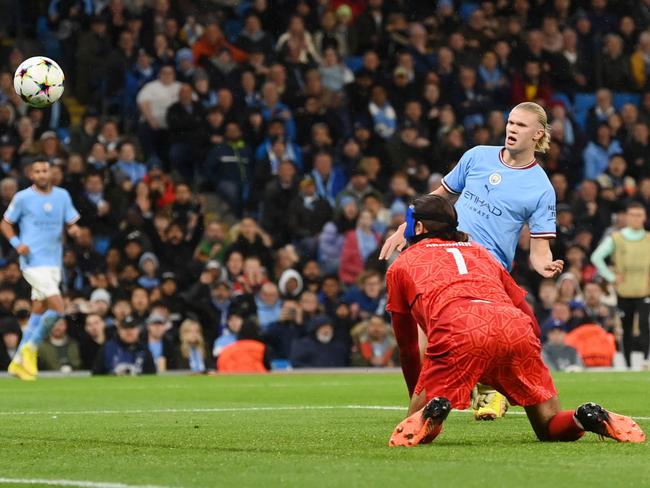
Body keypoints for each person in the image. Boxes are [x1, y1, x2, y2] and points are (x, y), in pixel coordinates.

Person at [385, 195, 644, 446]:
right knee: (549, 425)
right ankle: (583, 416)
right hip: (514, 326)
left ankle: (432, 412)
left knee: (418, 424)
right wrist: (529, 357)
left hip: (457, 328)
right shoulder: (481, 252)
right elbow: (528, 315)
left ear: (417, 227)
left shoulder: (401, 265)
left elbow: (408, 348)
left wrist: (415, 397)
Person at [379, 102, 564, 419]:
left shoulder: (541, 189)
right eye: (510, 122)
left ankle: (482, 394)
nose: (511, 129)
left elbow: (539, 247)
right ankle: (442, 407)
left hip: (486, 271)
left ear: (538, 134)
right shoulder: (477, 156)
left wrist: (544, 265)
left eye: (520, 125)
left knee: (472, 339)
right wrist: (404, 228)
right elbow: (438, 198)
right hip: (443, 259)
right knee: (427, 346)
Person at [1, 160, 81, 380]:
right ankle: (31, 348)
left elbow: (71, 222)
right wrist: (18, 244)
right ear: (31, 174)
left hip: (54, 263)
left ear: (51, 173)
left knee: (38, 311)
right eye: (37, 171)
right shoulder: (23, 198)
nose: (42, 174)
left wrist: (74, 230)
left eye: (45, 170)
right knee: (58, 307)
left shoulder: (62, 196)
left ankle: (17, 363)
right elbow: (5, 223)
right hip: (32, 262)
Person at [591, 202, 650, 369]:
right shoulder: (617, 238)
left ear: (644, 217)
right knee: (627, 327)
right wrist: (610, 276)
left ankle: (646, 360)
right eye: (632, 215)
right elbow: (596, 257)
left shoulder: (648, 239)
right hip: (624, 291)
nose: (636, 218)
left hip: (644, 290)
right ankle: (629, 364)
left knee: (645, 325)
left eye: (639, 215)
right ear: (627, 217)